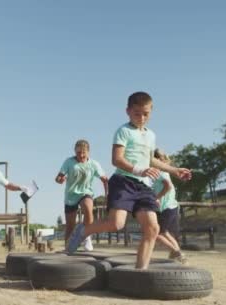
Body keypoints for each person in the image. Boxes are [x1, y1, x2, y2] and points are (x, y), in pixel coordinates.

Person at [67, 91, 192, 269]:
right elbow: (116, 159)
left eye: (146, 114)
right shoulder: (123, 131)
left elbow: (151, 159)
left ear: (151, 112)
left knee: (152, 228)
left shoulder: (151, 135)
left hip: (143, 186)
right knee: (116, 224)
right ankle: (83, 231)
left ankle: (140, 272)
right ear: (128, 111)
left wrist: (174, 170)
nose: (141, 118)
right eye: (137, 113)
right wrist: (140, 170)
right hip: (123, 181)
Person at [55, 139, 108, 251]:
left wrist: (107, 195)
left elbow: (105, 180)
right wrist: (61, 179)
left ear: (88, 152)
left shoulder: (94, 164)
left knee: (88, 209)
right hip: (70, 195)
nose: (81, 155)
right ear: (75, 151)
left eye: (84, 152)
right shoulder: (68, 162)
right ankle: (68, 248)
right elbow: (58, 178)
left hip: (86, 193)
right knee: (70, 225)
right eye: (78, 152)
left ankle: (87, 237)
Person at [151, 149, 188, 264]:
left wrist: (157, 197)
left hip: (166, 207)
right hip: (171, 207)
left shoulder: (160, 172)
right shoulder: (162, 171)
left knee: (155, 233)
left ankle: (176, 252)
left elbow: (168, 186)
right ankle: (177, 254)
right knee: (165, 232)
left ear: (156, 160)